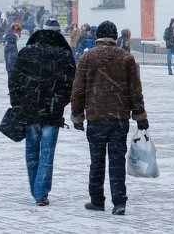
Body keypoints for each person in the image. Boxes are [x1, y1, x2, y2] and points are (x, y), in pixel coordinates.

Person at [71, 20, 148, 216]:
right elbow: (135, 90)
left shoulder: (88, 58)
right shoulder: (126, 58)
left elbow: (78, 89)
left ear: (98, 38)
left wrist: (78, 115)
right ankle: (119, 201)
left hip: (96, 117)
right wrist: (139, 115)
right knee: (116, 161)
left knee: (96, 161)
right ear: (114, 38)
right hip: (119, 118)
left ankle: (97, 200)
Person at [10, 18, 77, 206]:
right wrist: (60, 103)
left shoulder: (27, 52)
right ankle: (41, 193)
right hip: (52, 112)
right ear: (58, 33)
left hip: (30, 110)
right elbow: (71, 84)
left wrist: (18, 103)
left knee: (32, 152)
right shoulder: (64, 55)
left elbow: (14, 80)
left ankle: (36, 189)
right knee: (47, 154)